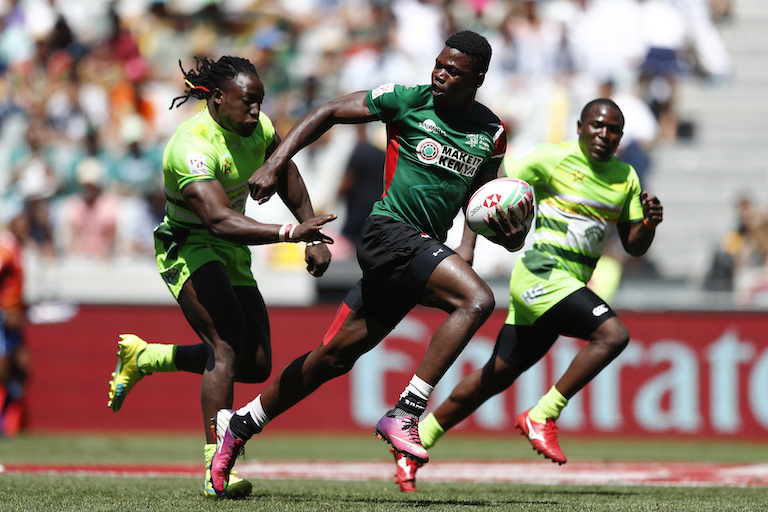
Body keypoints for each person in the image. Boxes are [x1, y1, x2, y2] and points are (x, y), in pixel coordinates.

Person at [208, 30, 525, 497]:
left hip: (419, 250)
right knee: (477, 299)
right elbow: (330, 110)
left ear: (477, 78)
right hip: (387, 232)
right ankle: (407, 412)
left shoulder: (491, 132)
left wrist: (486, 241)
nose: (439, 74)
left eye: (452, 71)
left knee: (332, 358)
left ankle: (240, 424)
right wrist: (277, 161)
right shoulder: (407, 100)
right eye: (438, 64)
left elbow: (485, 199)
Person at [392, 98, 664, 492]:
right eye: (597, 126)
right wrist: (477, 236)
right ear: (580, 126)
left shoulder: (626, 177)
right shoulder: (551, 159)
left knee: (492, 378)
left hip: (567, 284)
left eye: (613, 130)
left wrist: (649, 225)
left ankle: (417, 442)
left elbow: (634, 246)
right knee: (613, 335)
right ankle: (543, 414)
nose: (604, 135)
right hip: (542, 274)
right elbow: (492, 184)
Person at [105, 55, 336, 499]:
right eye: (248, 102)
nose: (256, 111)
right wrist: (291, 233)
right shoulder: (190, 146)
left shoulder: (259, 127)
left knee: (256, 363)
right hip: (189, 243)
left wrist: (314, 235)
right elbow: (216, 220)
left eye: (260, 102)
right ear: (215, 98)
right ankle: (217, 464)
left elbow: (286, 172)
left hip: (233, 247)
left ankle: (147, 358)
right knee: (226, 346)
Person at [0, 211, 31, 437]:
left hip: (13, 317)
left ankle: (8, 421)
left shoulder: (18, 248)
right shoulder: (7, 247)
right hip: (3, 317)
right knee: (3, 370)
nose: (24, 227)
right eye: (19, 222)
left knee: (21, 370)